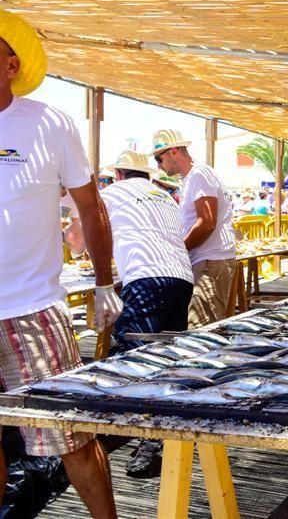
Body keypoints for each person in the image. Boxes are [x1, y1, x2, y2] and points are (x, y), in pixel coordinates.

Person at [0, 9, 119, 517]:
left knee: (70, 436)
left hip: (33, 307)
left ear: (11, 64)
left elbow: (91, 208)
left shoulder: (48, 123)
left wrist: (103, 283)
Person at [67, 150, 194, 478]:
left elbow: (79, 242)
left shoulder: (111, 192)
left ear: (120, 174)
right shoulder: (166, 197)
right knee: (168, 358)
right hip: (181, 278)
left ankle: (149, 440)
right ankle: (164, 431)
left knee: (136, 360)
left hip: (146, 277)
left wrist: (68, 229)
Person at [152, 129, 237, 328]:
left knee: (201, 329)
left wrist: (179, 252)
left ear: (174, 152)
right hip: (208, 260)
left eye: (159, 158)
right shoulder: (192, 177)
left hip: (210, 261)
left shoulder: (199, 174)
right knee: (204, 326)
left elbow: (207, 222)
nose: (159, 165)